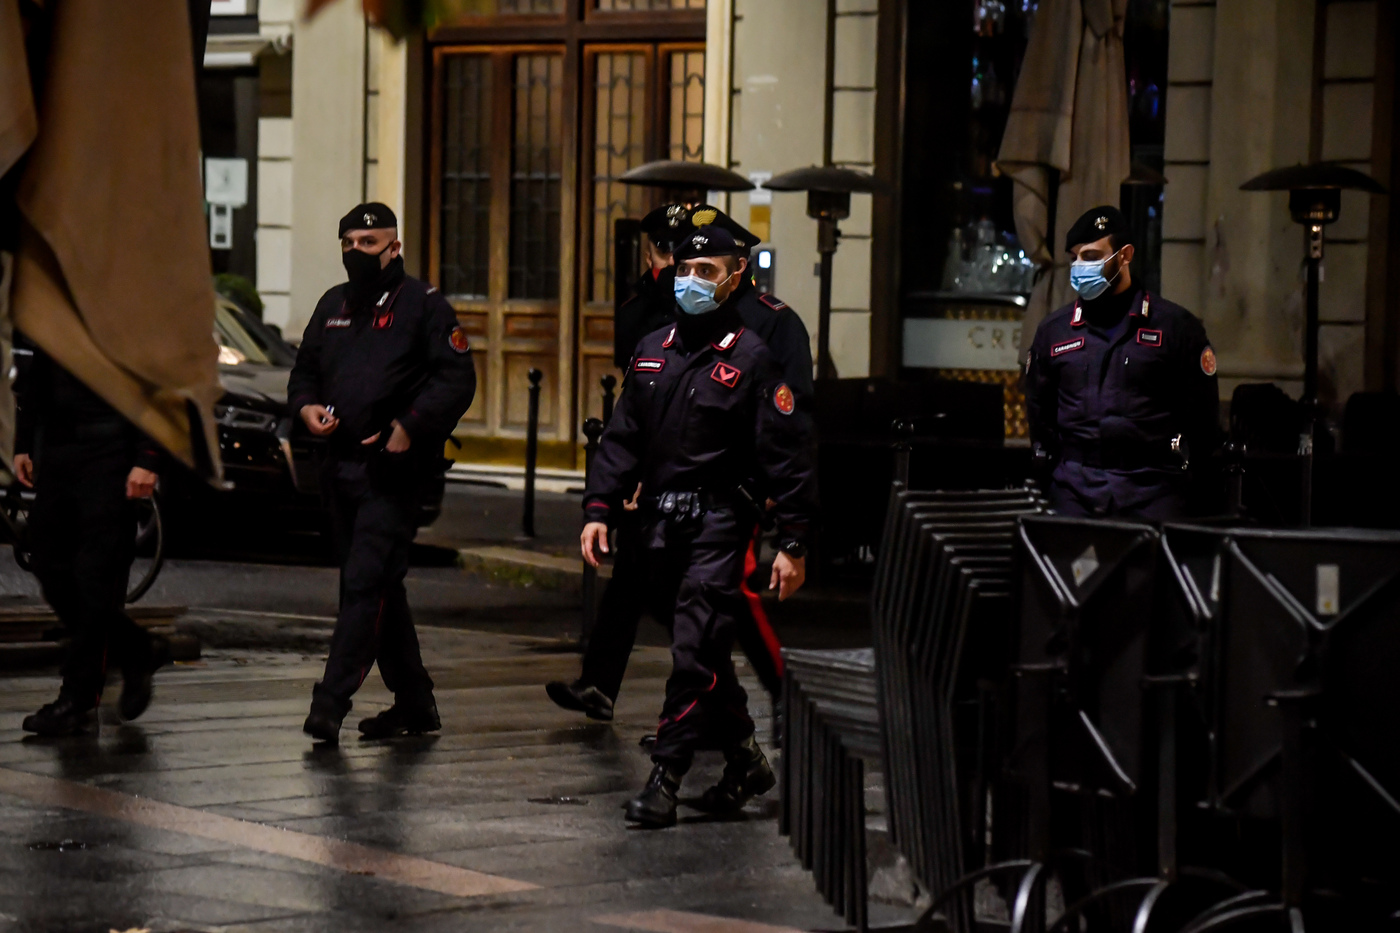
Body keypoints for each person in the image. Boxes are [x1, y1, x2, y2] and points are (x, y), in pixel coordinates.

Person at [581, 224, 818, 828]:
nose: (692, 281)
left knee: (692, 647)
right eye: (685, 270)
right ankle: (744, 759)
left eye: (707, 271)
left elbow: (787, 458)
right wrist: (599, 508)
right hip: (659, 525)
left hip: (720, 521)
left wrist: (791, 542)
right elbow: (622, 437)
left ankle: (666, 776)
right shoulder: (654, 348)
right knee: (706, 647)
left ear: (736, 276)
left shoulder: (752, 359)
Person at [289, 202, 476, 743]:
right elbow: (303, 373)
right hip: (338, 467)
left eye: (368, 245)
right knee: (380, 588)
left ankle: (330, 703)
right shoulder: (333, 304)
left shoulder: (424, 305)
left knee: (364, 583)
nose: (356, 254)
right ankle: (416, 704)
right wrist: (306, 408)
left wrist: (409, 426)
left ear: (394, 247)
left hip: (394, 471)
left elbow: (456, 378)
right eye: (348, 244)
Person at [12, 340, 168, 736]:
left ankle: (78, 698)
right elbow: (37, 374)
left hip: (113, 454)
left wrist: (147, 458)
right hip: (61, 452)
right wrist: (23, 443)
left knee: (94, 579)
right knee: (48, 564)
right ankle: (136, 649)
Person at [1025, 205, 1219, 520]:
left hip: (1153, 488)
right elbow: (1040, 412)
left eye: (1090, 256)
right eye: (1074, 257)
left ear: (1125, 255)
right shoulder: (1054, 330)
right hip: (1074, 490)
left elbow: (1202, 419)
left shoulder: (1174, 327)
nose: (1079, 266)